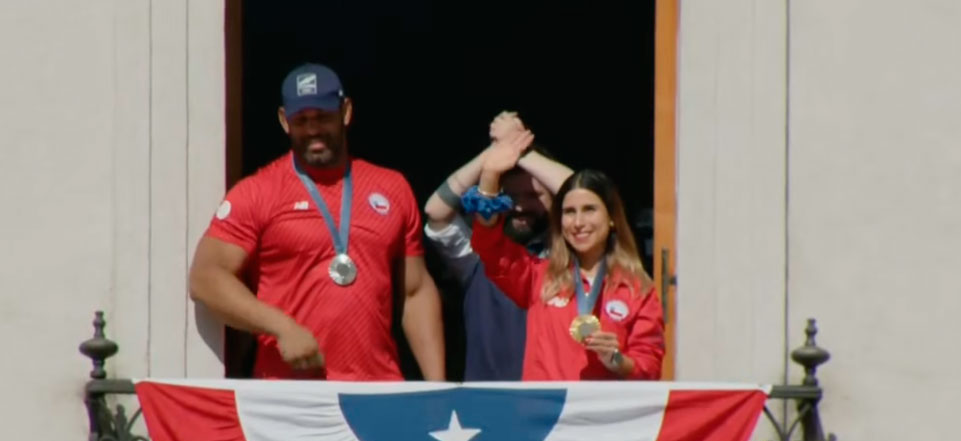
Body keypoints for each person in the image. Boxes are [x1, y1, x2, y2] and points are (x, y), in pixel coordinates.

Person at [189, 63, 445, 381]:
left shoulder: (392, 188)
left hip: (377, 389)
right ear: (284, 121)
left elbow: (415, 291)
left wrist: (437, 388)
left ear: (346, 112)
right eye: (302, 120)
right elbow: (205, 278)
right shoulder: (257, 192)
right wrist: (280, 327)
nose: (313, 130)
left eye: (322, 117)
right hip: (290, 394)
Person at [466, 133, 664, 380]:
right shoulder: (539, 277)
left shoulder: (637, 289)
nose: (578, 222)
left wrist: (616, 359)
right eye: (569, 212)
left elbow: (650, 367)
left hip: (604, 415)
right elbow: (490, 247)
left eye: (589, 210)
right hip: (545, 415)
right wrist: (489, 176)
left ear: (612, 217)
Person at [424, 112, 573, 381]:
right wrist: (493, 155)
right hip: (486, 406)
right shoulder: (476, 253)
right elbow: (436, 210)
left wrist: (522, 152)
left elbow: (590, 195)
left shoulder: (574, 253)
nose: (520, 206)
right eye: (511, 196)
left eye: (534, 195)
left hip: (552, 405)